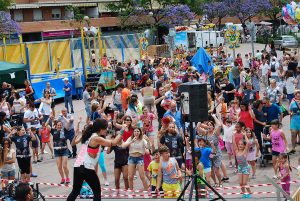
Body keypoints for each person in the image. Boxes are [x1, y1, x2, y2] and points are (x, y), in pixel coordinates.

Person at [67, 119, 120, 201]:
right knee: (97, 192)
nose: (106, 130)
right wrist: (122, 132)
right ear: (100, 129)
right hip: (86, 166)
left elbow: (109, 134)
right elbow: (113, 143)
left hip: (78, 165)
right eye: (105, 128)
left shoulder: (88, 134)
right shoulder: (96, 138)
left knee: (75, 191)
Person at [234, 134, 252, 198]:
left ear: (244, 146)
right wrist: (233, 136)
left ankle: (250, 193)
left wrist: (245, 135)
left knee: (244, 183)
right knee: (241, 183)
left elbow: (248, 143)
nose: (240, 145)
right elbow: (234, 143)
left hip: (246, 168)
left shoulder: (245, 151)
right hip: (240, 168)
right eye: (239, 144)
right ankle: (244, 193)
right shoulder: (236, 151)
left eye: (242, 144)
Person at [289, 90, 300, 154]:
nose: (298, 97)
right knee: (293, 134)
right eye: (297, 96)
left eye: (299, 96)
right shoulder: (292, 103)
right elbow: (290, 111)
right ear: (295, 96)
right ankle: (293, 148)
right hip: (294, 120)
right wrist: (291, 113)